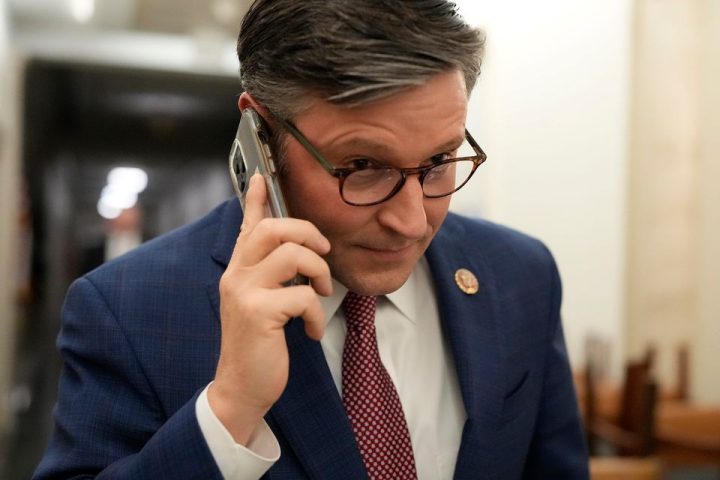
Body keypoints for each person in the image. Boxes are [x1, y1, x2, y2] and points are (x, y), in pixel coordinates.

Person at [34, 1, 589, 478]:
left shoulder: (520, 276)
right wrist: (229, 410)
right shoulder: (126, 309)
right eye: (364, 166)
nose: (411, 220)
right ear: (262, 134)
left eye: (440, 160)